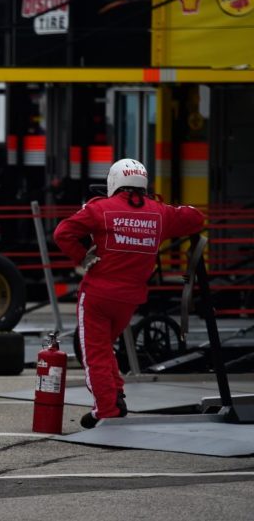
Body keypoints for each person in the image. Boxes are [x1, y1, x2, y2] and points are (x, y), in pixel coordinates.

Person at [54, 159, 205, 429]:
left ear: (114, 181)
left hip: (98, 294)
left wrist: (82, 257)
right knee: (104, 348)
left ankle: (106, 410)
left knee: (95, 354)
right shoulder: (160, 212)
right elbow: (195, 218)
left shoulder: (99, 208)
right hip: (130, 299)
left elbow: (62, 232)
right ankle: (116, 396)